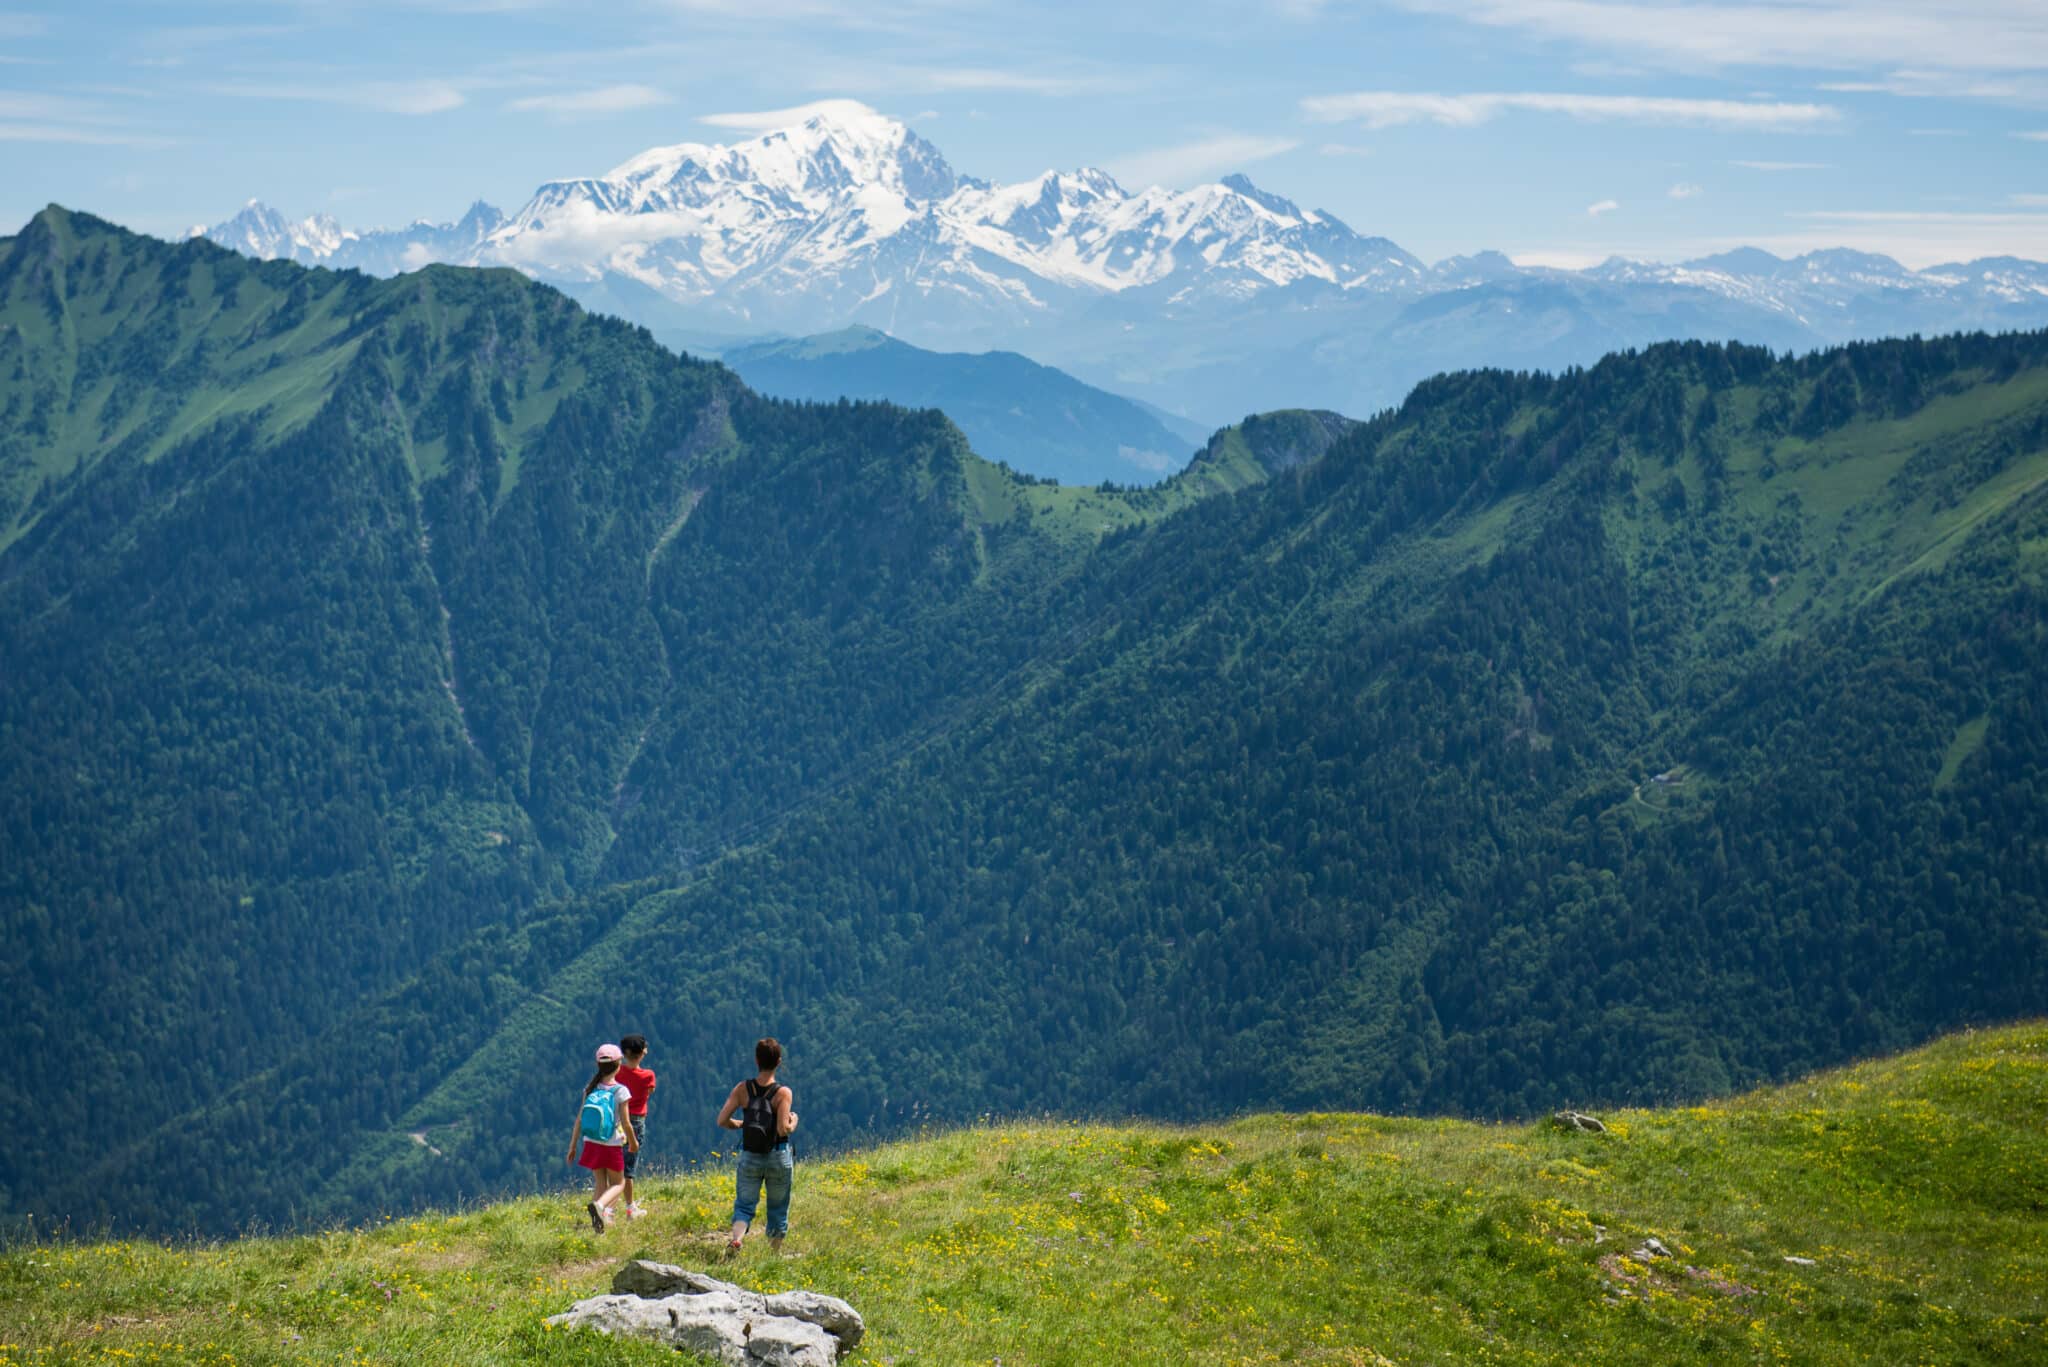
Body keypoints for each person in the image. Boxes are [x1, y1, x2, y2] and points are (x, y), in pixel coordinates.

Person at [715, 1037, 798, 1254]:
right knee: (778, 1207)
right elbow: (782, 1129)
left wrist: (742, 1124)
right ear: (779, 1062)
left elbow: (722, 1120)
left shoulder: (743, 1089)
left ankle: (736, 1240)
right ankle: (773, 1254)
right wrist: (793, 1122)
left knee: (744, 1204)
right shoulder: (783, 1093)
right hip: (777, 1155)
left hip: (750, 1155)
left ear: (756, 1060)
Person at [567, 1042, 638, 1234]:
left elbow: (579, 1119)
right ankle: (600, 1206)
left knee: (600, 1182)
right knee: (619, 1183)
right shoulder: (620, 1091)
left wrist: (572, 1146)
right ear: (618, 1064)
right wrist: (633, 1142)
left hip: (590, 1142)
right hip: (611, 1142)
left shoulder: (590, 1089)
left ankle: (598, 1225)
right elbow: (626, 1122)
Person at [616, 1033, 657, 1219]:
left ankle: (609, 1206)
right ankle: (630, 1208)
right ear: (642, 1053)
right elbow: (650, 1091)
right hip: (637, 1121)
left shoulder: (617, 1073)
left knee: (615, 1163)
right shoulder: (648, 1075)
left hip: (617, 1121)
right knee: (629, 1168)